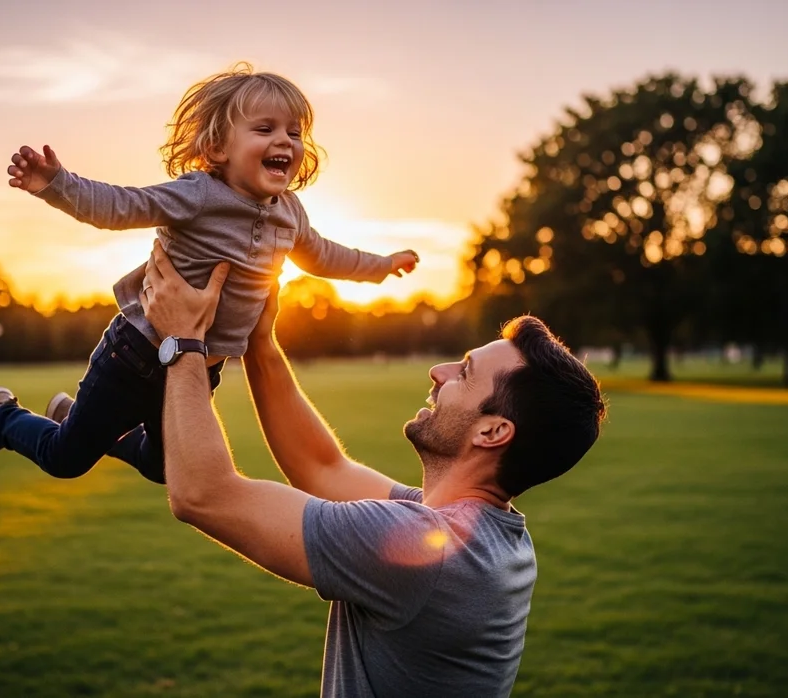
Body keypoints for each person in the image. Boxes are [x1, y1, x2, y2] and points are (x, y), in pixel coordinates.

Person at [140, 242, 607, 697]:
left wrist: (183, 341)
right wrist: (260, 339)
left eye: (464, 373)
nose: (438, 371)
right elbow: (322, 467)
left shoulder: (432, 557)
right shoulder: (475, 536)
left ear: (492, 432)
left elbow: (204, 494)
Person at [0, 65, 418, 483]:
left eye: (294, 132)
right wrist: (56, 184)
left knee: (168, 468)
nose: (285, 141)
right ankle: (0, 416)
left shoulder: (289, 212)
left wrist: (380, 267)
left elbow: (323, 255)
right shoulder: (199, 194)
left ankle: (77, 419)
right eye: (265, 128)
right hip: (136, 353)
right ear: (217, 147)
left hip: (197, 367)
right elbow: (123, 205)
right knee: (64, 459)